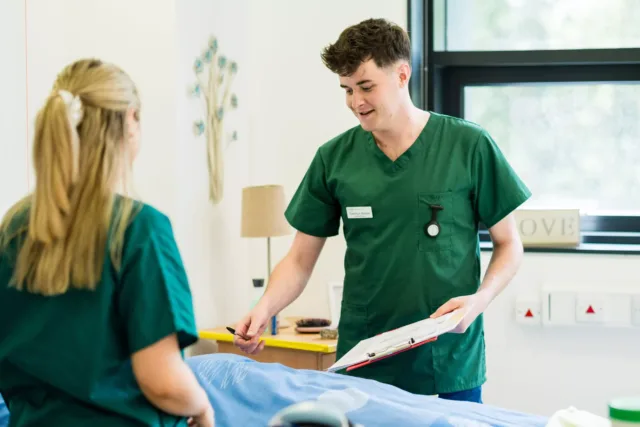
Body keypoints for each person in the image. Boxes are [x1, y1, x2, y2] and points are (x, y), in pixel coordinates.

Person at [233, 18, 531, 404]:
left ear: (402, 75)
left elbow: (509, 244)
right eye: (347, 90)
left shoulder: (468, 145)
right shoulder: (334, 159)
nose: (356, 101)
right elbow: (299, 260)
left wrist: (480, 299)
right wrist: (263, 309)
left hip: (448, 358)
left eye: (366, 86)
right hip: (366, 358)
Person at [0, 59, 214, 426]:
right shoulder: (138, 228)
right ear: (130, 121)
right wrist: (202, 407)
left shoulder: (14, 228)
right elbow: (161, 382)